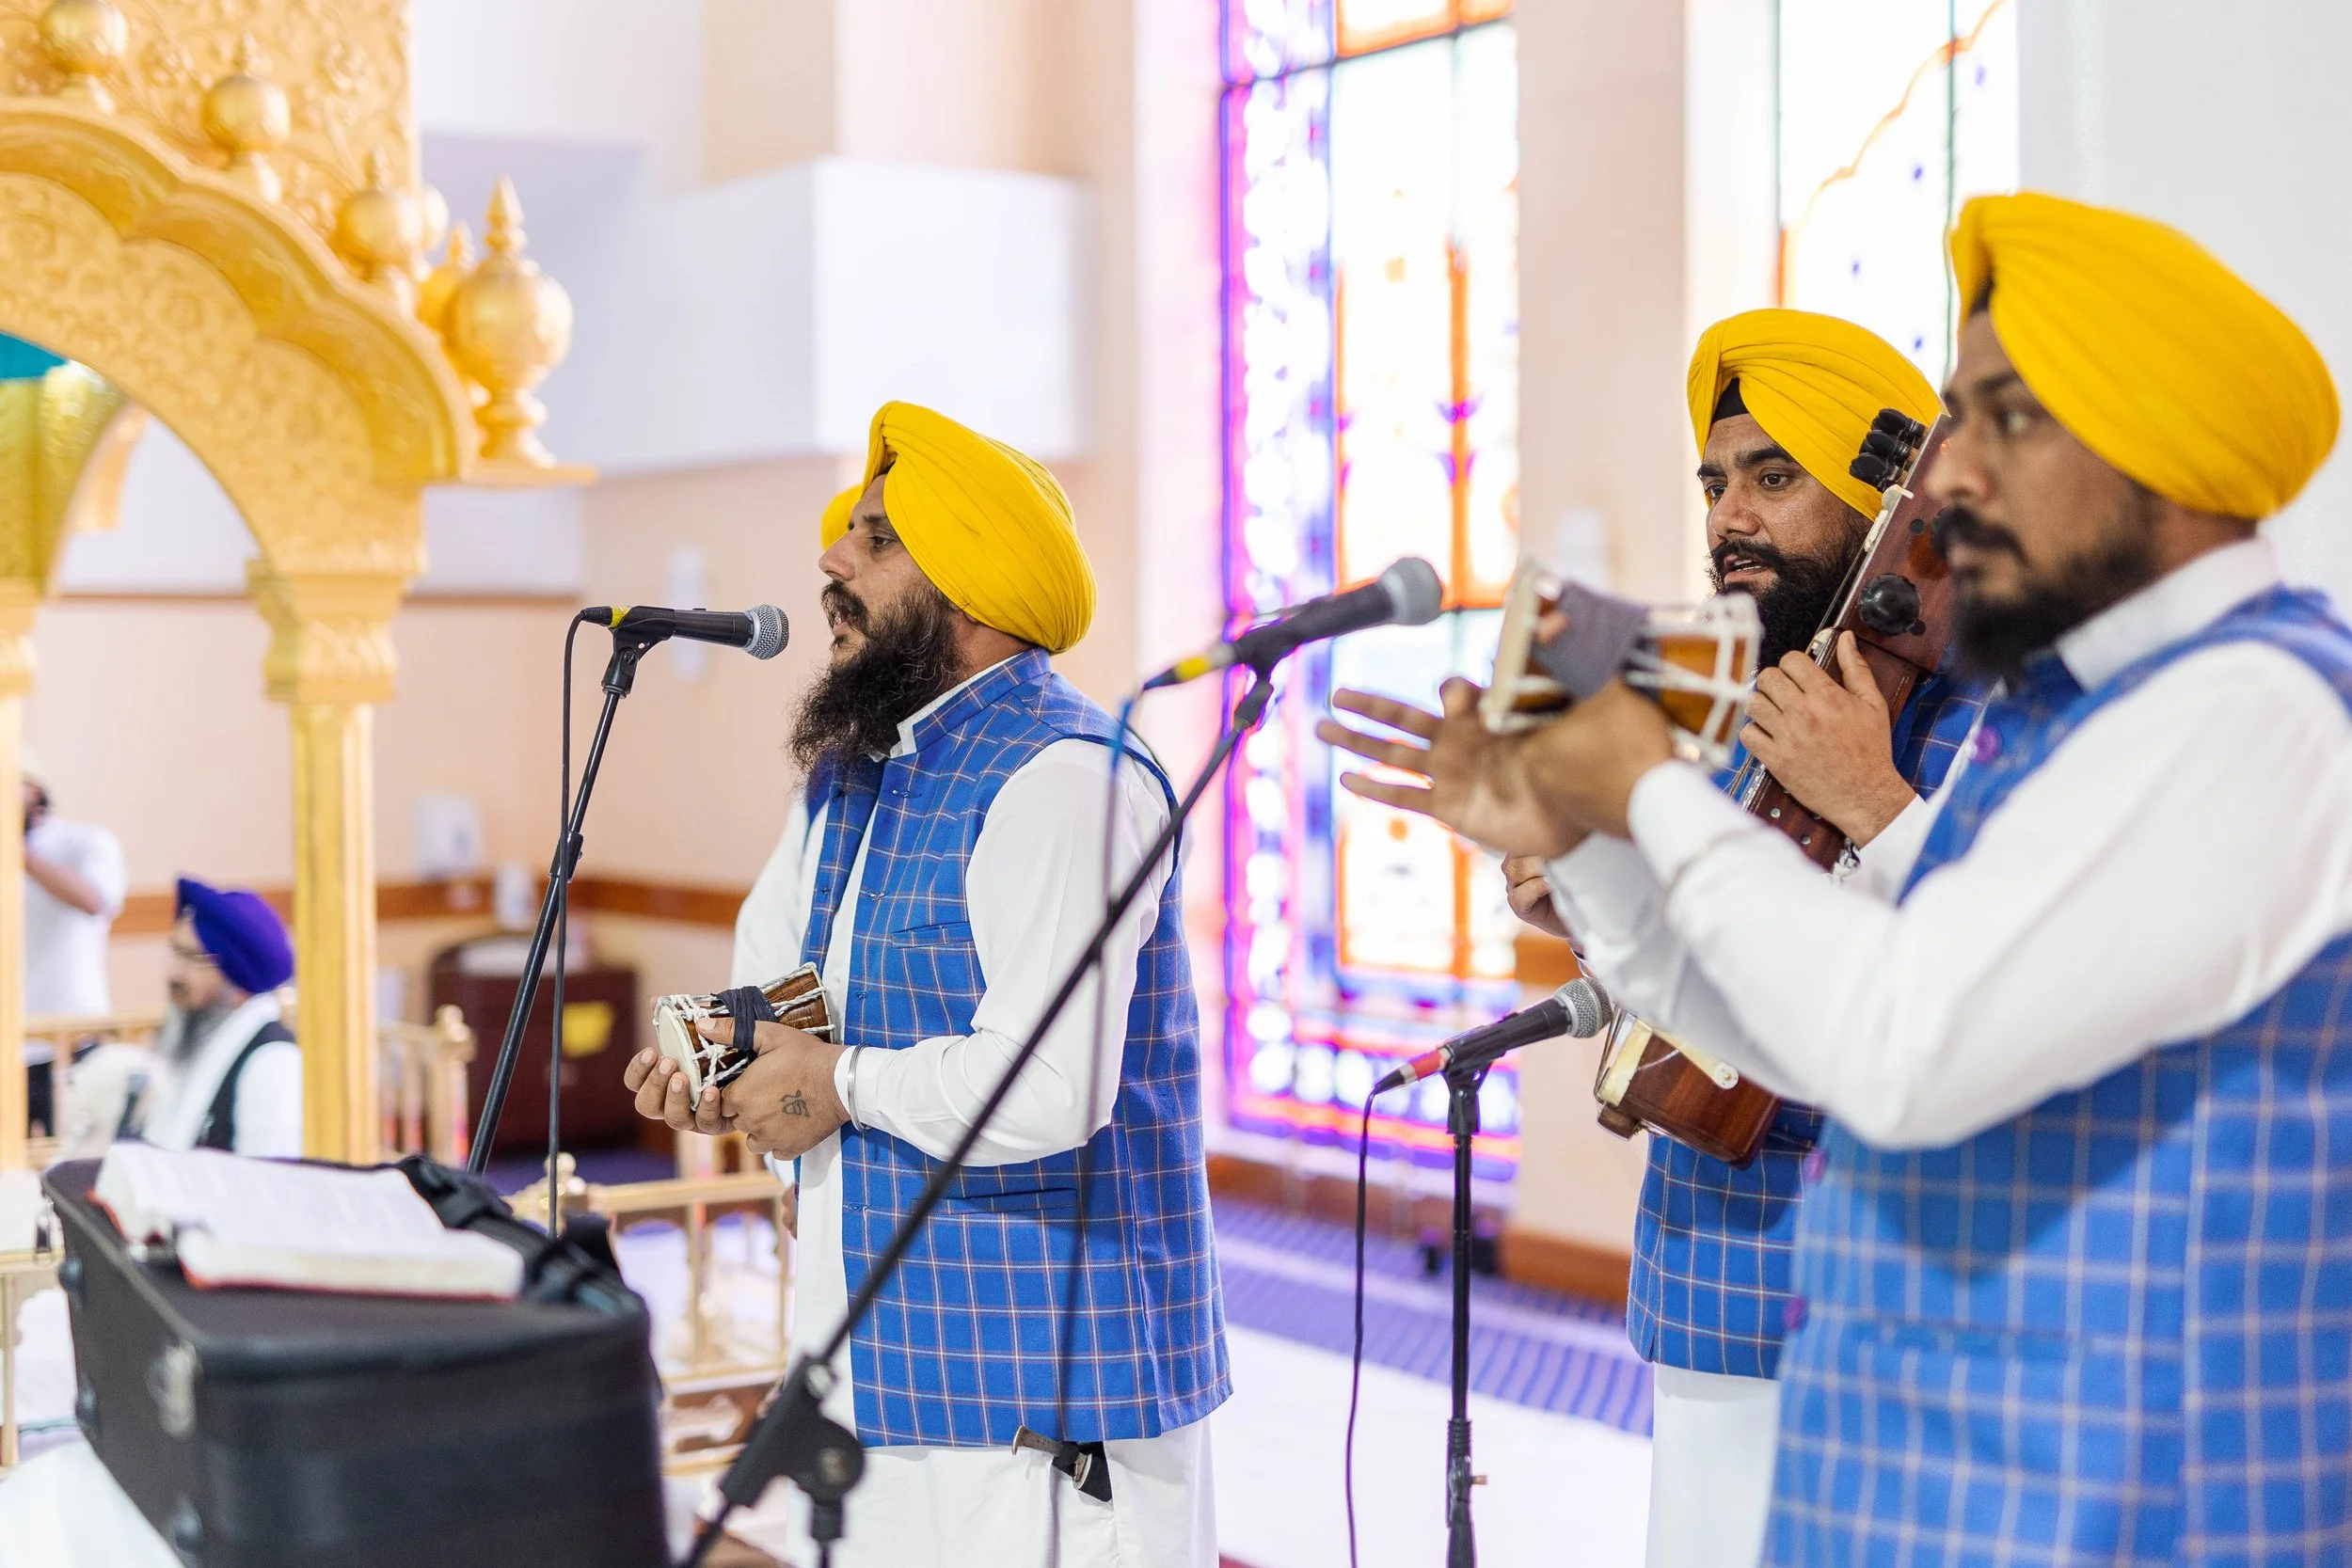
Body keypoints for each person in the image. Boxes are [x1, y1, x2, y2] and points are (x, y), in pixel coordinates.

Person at [1321, 191, 2347, 1563]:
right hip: (1944, 1453)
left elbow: (1900, 1040)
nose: (1953, 474)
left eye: (1997, 418)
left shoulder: (2250, 709)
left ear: (2143, 443)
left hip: (2120, 1489)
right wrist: (1584, 842)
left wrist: (1647, 787)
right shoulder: (2085, 706)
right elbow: (1772, 1023)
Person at [626, 403, 1225, 1567]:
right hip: (864, 1362)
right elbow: (777, 985)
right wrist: (714, 1068)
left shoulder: (1065, 778)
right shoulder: (857, 775)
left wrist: (838, 1080)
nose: (832, 564)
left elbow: (1052, 1087)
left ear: (974, 588)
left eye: (878, 539)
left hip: (1041, 1393)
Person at [1491, 308, 1979, 1568]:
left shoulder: (1997, 715)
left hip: (1913, 1309)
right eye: (1714, 482)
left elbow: (1982, 994)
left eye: (1773, 475)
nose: (1728, 517)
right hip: (1715, 1277)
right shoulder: (1736, 708)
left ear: (1886, 505)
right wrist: (1582, 891)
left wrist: (1875, 798)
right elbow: (1706, 972)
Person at [125, 877, 301, 1157]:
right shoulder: (196, 1039)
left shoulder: (272, 1063)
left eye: (193, 958)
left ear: (239, 980)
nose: (174, 974)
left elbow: (271, 1185)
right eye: (175, 952)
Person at [20, 757, 125, 1135]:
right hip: (8, 1050)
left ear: (34, 789)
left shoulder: (84, 843)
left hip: (69, 1043)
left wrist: (19, 854)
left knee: (70, 1169)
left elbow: (95, 901)